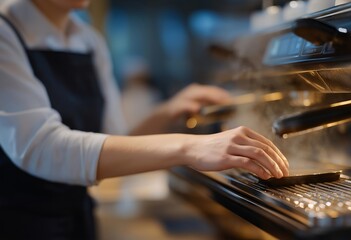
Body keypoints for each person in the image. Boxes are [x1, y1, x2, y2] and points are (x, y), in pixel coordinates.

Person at [0, 0, 289, 239]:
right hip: (19, 223)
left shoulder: (89, 40)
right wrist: (191, 147)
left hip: (79, 221)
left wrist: (167, 112)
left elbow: (112, 141)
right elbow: (42, 148)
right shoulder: (5, 30)